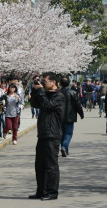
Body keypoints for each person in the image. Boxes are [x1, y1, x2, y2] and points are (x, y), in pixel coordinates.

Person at [28, 72, 65, 201]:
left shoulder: (59, 96)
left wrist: (42, 91)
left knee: (51, 166)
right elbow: (34, 104)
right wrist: (35, 89)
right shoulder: (45, 93)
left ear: (54, 82)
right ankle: (41, 191)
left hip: (52, 134)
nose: (43, 83)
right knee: (39, 165)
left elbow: (47, 105)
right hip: (43, 133)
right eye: (42, 81)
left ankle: (52, 192)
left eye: (45, 81)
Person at [60, 77, 84, 157]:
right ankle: (64, 147)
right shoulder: (73, 93)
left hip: (59, 117)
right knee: (68, 134)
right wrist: (81, 114)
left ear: (60, 84)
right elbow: (78, 105)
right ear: (69, 83)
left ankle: (65, 149)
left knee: (62, 133)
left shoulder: (57, 92)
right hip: (70, 116)